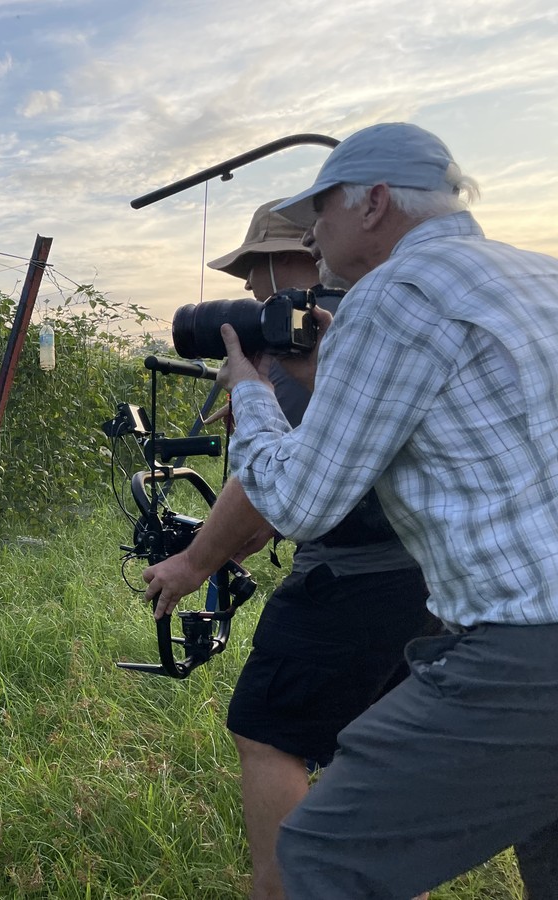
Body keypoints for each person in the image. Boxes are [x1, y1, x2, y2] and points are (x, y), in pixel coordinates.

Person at [213, 121, 558, 898]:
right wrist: (335, 362)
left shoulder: (396, 295)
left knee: (323, 861)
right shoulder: (539, 277)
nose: (312, 229)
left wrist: (253, 395)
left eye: (320, 210)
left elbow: (301, 501)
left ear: (373, 202)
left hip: (525, 654)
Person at [142, 200, 438, 900]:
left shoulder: (302, 339)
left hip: (349, 579)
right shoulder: (387, 330)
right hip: (427, 584)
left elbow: (265, 487)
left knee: (267, 730)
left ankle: (280, 889)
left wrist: (192, 564)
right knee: (374, 748)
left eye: (255, 272)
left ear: (300, 260)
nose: (249, 291)